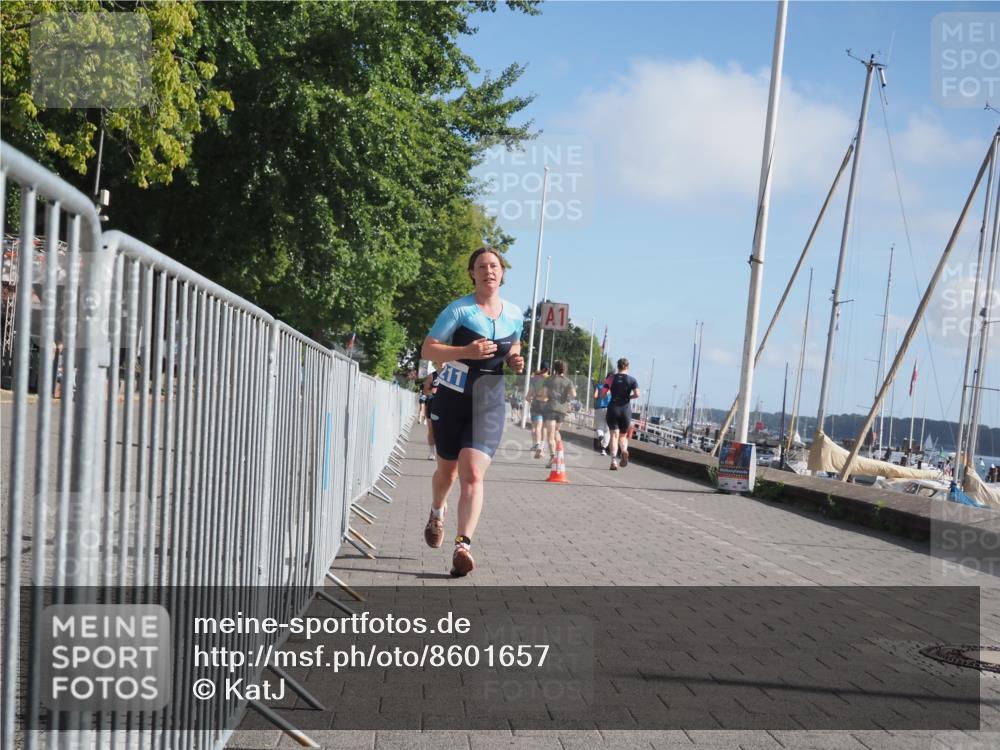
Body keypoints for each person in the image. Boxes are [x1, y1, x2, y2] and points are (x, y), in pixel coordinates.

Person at [421, 247, 524, 576]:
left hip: (489, 399)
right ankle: (437, 511)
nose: (489, 271)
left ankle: (462, 546)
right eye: (482, 266)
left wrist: (514, 359)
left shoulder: (515, 313)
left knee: (473, 474)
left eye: (495, 266)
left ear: (503, 273)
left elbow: (515, 343)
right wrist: (466, 350)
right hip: (452, 396)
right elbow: (428, 348)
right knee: (447, 472)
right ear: (472, 273)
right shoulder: (458, 310)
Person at [605, 358, 640, 470]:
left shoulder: (611, 378)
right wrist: (629, 397)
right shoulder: (632, 380)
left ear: (618, 366)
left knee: (614, 436)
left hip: (613, 408)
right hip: (625, 410)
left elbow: (603, 393)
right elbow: (637, 394)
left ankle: (613, 461)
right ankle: (624, 450)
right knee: (623, 436)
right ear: (627, 367)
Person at [542, 360, 576, 467]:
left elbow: (544, 394)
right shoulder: (568, 381)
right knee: (556, 431)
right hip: (562, 410)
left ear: (554, 368)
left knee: (550, 435)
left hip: (551, 408)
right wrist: (565, 398)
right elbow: (573, 395)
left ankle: (553, 456)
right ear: (565, 369)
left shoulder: (549, 380)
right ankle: (560, 452)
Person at [527, 362, 550, 459]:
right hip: (546, 405)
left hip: (536, 403)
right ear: (548, 369)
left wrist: (531, 400)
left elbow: (528, 396)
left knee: (537, 427)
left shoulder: (534, 379)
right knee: (544, 428)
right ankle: (541, 446)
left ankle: (537, 443)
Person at [593, 371, 613, 455]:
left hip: (599, 408)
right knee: (607, 430)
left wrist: (597, 388)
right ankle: (604, 449)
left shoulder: (600, 386)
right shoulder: (613, 389)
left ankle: (600, 436)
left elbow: (595, 396)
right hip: (609, 409)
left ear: (606, 378)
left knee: (599, 428)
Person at [422, 370, 439, 460]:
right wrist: (433, 389)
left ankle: (441, 452)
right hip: (433, 404)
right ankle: (432, 452)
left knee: (444, 431)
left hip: (447, 405)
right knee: (432, 430)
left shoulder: (453, 374)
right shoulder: (432, 376)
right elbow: (425, 391)